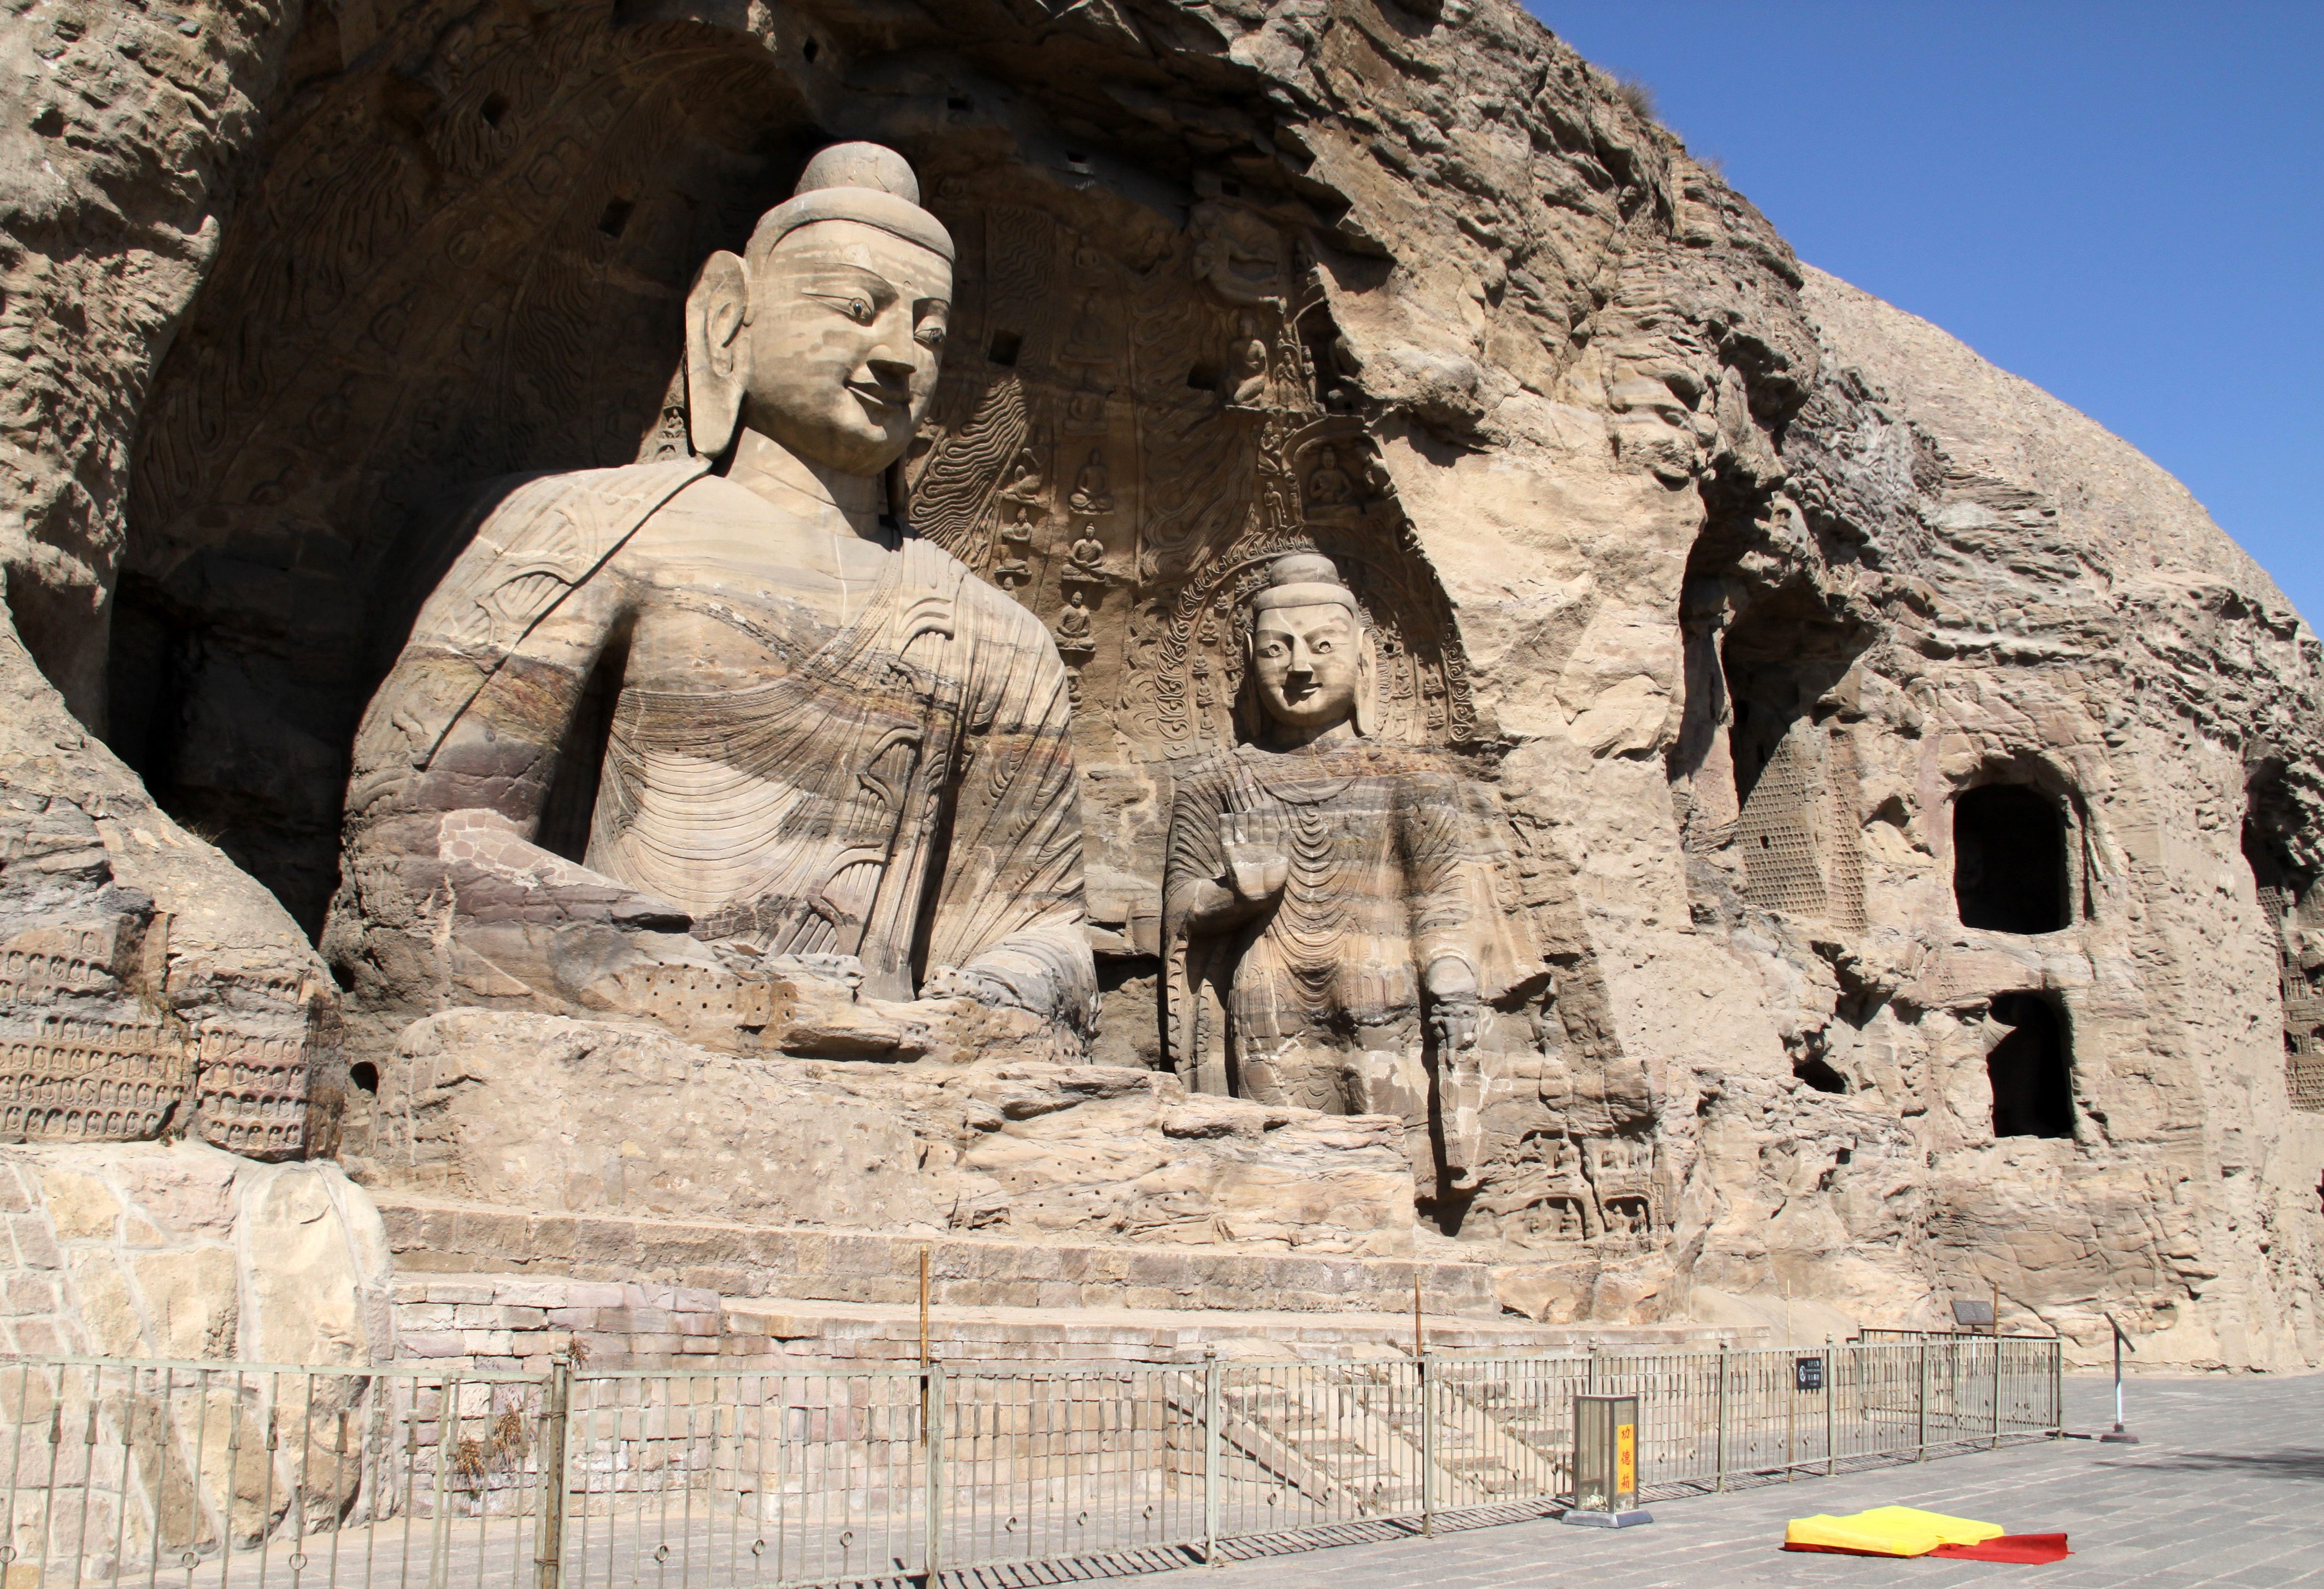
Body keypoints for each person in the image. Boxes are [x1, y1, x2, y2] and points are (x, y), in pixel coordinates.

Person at [332, 144, 1095, 1037]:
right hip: (632, 1041)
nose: (898, 358)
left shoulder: (998, 632)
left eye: (929, 333)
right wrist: (697, 982)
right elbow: (416, 851)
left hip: (896, 1061)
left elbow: (1045, 927)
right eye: (857, 310)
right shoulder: (590, 530)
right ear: (730, 319)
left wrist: (989, 1000)